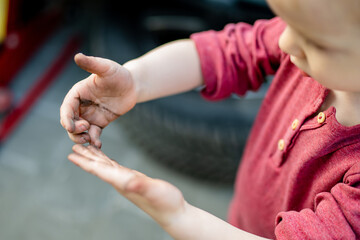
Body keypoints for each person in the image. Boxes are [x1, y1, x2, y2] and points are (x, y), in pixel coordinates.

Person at [60, 0, 360, 238]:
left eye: (316, 43)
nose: (283, 42)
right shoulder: (319, 32)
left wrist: (178, 216)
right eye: (287, 23)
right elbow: (227, 52)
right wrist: (136, 81)